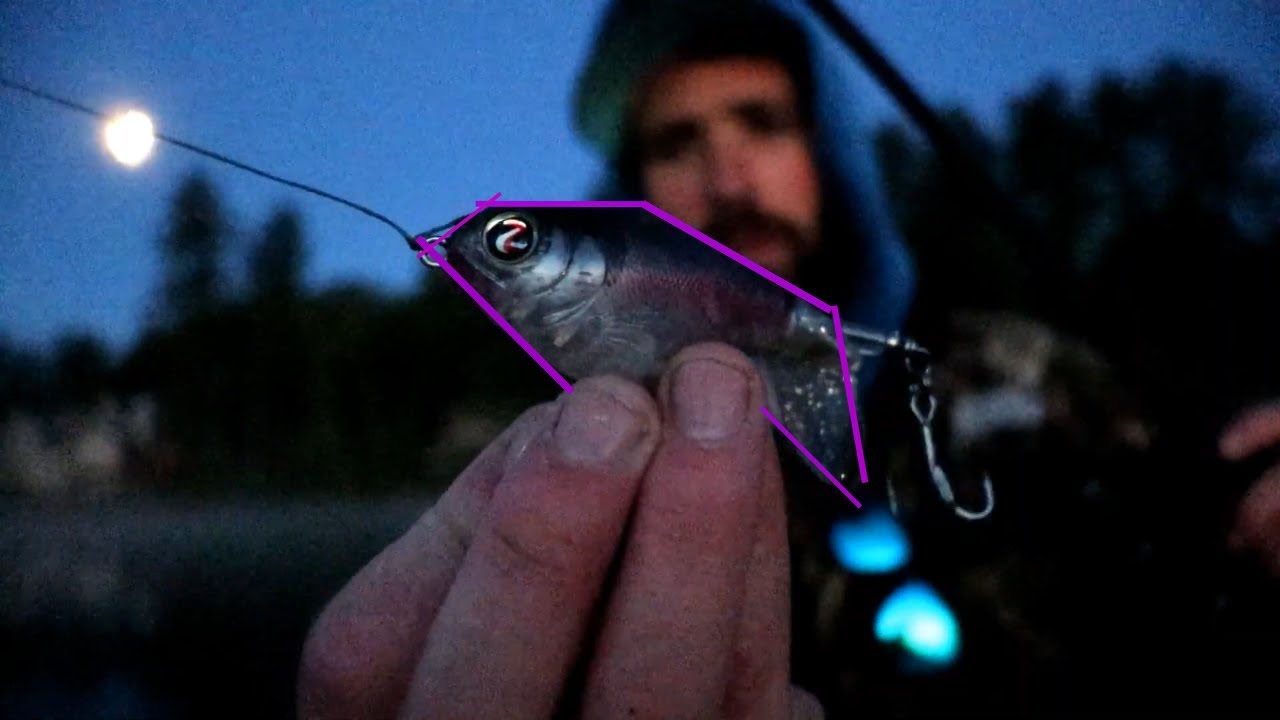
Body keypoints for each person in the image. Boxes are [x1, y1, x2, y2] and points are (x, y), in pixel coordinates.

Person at [297, 1, 1280, 717]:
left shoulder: (1022, 370)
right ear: (628, 193)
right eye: (678, 141)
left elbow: (1200, 532)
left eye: (761, 124)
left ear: (827, 158)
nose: (728, 175)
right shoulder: (547, 444)